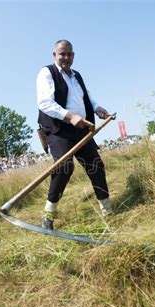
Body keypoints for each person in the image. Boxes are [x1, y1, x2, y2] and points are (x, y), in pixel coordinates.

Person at [36, 39, 113, 230]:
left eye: (69, 54)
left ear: (74, 56)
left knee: (96, 165)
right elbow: (44, 103)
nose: (66, 57)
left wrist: (97, 108)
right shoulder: (47, 73)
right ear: (54, 55)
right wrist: (69, 116)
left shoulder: (76, 75)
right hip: (58, 128)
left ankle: (107, 209)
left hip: (81, 128)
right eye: (62, 54)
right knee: (64, 167)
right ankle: (48, 215)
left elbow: (85, 96)